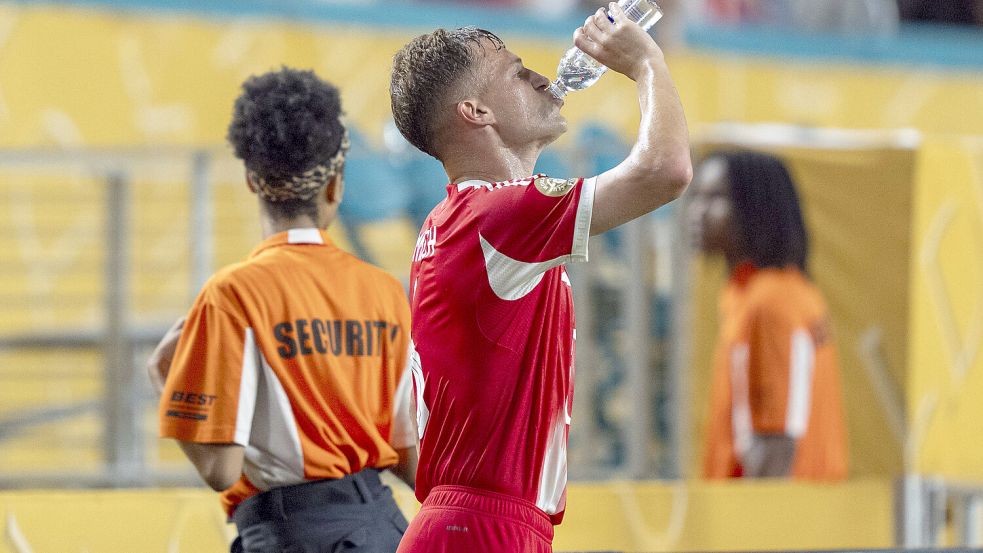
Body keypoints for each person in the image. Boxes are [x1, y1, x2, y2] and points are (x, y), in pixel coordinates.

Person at [388, 4, 691, 551]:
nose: (541, 76)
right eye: (515, 70)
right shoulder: (498, 218)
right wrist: (647, 63)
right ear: (476, 111)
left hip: (474, 521)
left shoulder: (463, 219)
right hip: (482, 527)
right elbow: (664, 172)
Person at [147, 67, 417, 553]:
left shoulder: (233, 294)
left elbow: (219, 469)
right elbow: (409, 453)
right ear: (336, 185)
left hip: (291, 533)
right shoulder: (384, 291)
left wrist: (165, 381)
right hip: (385, 528)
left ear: (253, 180)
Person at [686, 150, 847, 480]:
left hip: (783, 521)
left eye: (715, 198)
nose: (696, 212)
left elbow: (777, 443)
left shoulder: (771, 303)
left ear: (754, 209)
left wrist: (749, 527)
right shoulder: (754, 294)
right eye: (697, 197)